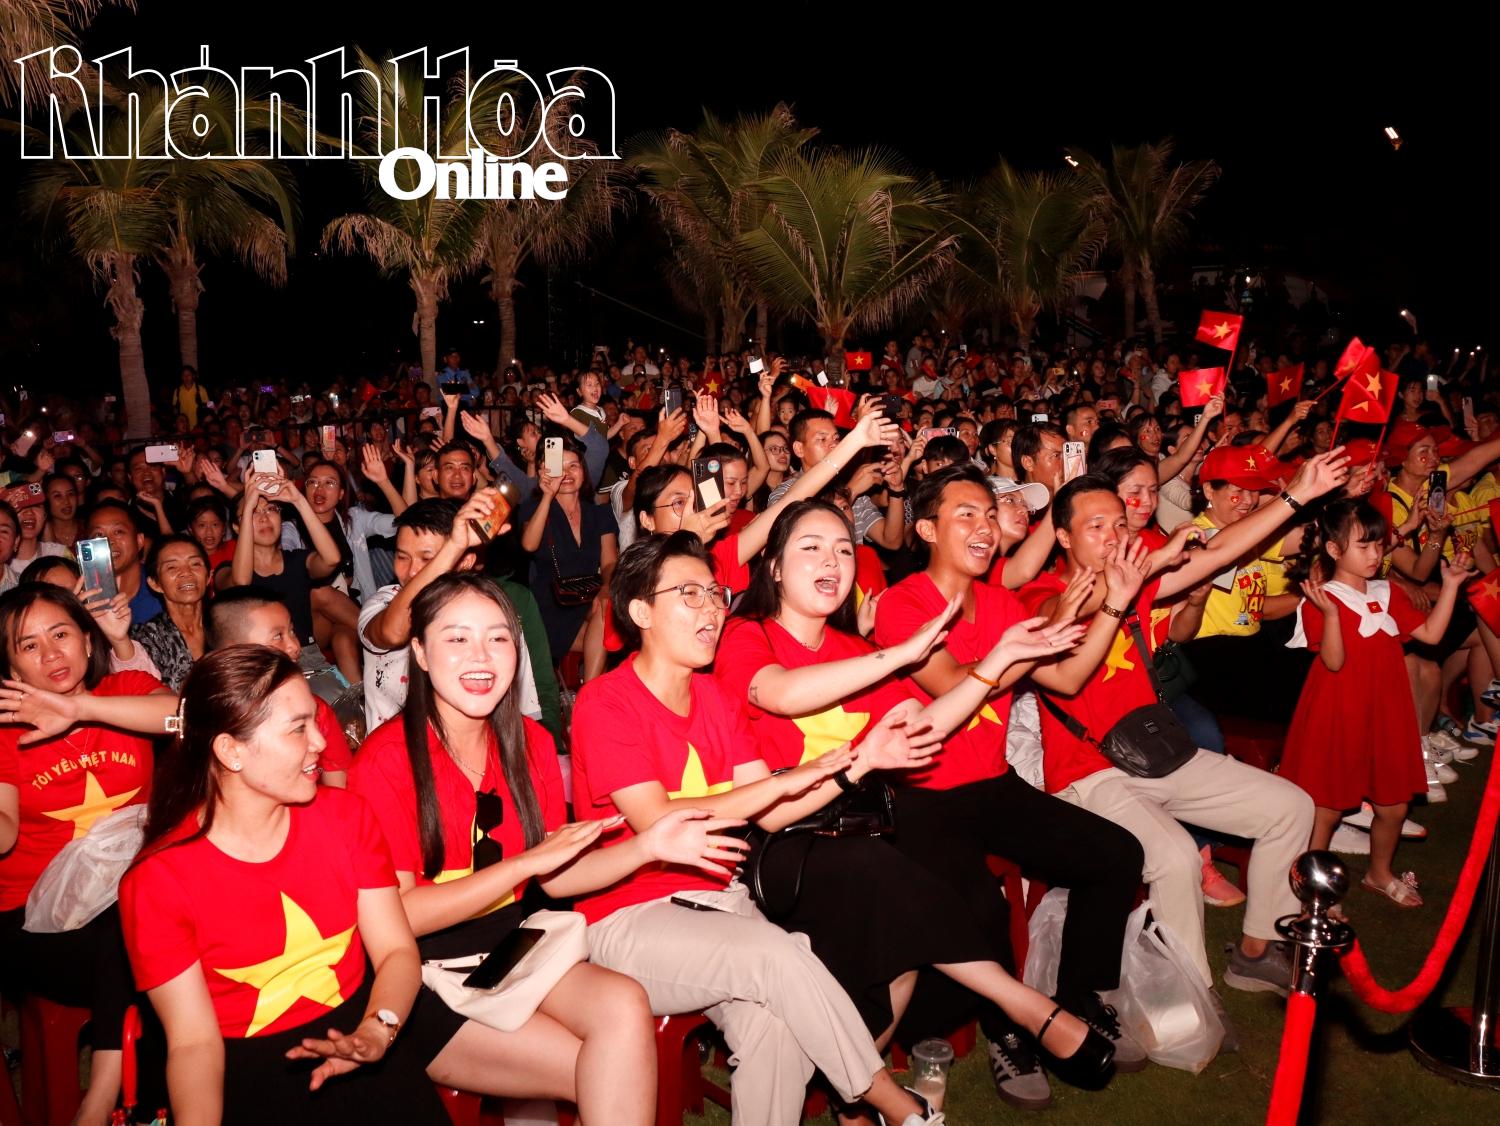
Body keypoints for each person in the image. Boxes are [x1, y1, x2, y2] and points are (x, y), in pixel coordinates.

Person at [715, 501, 1114, 1110]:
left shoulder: (851, 645)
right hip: (783, 842)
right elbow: (781, 695)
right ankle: (1023, 1006)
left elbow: (925, 725)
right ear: (772, 568)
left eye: (845, 549)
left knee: (926, 874)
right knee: (889, 878)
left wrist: (999, 661)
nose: (833, 560)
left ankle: (861, 1094)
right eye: (812, 548)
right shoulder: (749, 637)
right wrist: (897, 655)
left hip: (860, 829)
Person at [572, 534, 945, 1126]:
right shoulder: (606, 701)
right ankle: (894, 1105)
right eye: (688, 594)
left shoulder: (715, 696)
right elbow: (660, 820)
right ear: (641, 612)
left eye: (715, 595)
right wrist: (784, 780)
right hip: (630, 918)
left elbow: (772, 813)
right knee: (780, 954)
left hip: (722, 903)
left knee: (775, 1023)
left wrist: (862, 762)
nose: (712, 610)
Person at [353, 573, 747, 1125]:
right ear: (418, 652)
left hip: (515, 949)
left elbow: (556, 880)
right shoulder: (386, 760)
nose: (481, 656)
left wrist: (647, 847)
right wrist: (526, 864)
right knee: (604, 1065)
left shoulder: (531, 743)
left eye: (497, 637)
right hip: (422, 976)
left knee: (625, 1003)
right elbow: (400, 917)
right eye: (457, 638)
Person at [1016, 455, 1350, 994]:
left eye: (1119, 525)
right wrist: (1140, 571)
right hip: (1090, 774)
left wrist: (1296, 497)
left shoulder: (1137, 579)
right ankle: (1187, 994)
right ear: (1062, 537)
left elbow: (1219, 550)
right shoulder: (1035, 596)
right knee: (1173, 858)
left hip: (1158, 752)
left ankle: (1256, 950)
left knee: (1291, 806)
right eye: (1095, 527)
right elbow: (1065, 614)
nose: (1113, 537)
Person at [873, 466, 1148, 1094]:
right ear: (926, 529)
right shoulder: (904, 603)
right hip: (922, 798)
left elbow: (1069, 678)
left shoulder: (998, 602)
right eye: (965, 514)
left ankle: (1074, 1003)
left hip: (993, 784)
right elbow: (948, 683)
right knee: (980, 909)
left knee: (1116, 854)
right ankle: (1008, 1030)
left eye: (989, 515)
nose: (984, 526)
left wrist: (1114, 604)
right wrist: (1012, 653)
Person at [118, 647, 445, 1125]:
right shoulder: (159, 881)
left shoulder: (345, 818)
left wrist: (378, 1030)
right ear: (230, 750)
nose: (321, 742)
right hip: (244, 1067)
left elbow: (396, 951)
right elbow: (193, 1043)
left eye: (316, 720)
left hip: (361, 1031)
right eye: (298, 728)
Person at [0, 583, 176, 1125]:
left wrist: (78, 708)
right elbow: (5, 831)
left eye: (60, 634)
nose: (51, 654)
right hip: (34, 922)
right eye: (28, 646)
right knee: (140, 937)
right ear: (9, 664)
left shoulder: (124, 688)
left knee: (155, 923)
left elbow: (183, 718)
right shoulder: (5, 731)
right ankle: (104, 1100)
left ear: (86, 636)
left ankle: (146, 1105)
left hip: (136, 900)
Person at [1282, 500, 1471, 907]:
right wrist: (1331, 616)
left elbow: (1433, 636)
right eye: (1363, 546)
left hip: (1387, 711)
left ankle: (1378, 872)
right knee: (1328, 807)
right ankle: (1315, 890)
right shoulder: (1321, 598)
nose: (1374, 555)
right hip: (1339, 712)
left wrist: (1452, 586)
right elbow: (1333, 661)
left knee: (1394, 803)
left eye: (1378, 546)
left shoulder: (1388, 593)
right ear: (1334, 550)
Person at [205, 587, 353, 787]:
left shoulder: (315, 709)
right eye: (278, 636)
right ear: (235, 650)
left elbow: (339, 791)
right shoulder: (210, 718)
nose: (294, 646)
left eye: (292, 631)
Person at [518, 437, 618, 661]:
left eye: (573, 466)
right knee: (605, 636)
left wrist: (606, 588)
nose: (567, 474)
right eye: (559, 468)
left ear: (584, 471)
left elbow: (610, 562)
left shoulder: (599, 513)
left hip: (590, 595)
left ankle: (590, 692)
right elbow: (529, 544)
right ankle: (593, 692)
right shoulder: (533, 508)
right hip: (551, 601)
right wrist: (547, 496)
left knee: (606, 608)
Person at [224, 472, 342, 648]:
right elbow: (242, 583)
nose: (264, 518)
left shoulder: (297, 560)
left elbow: (332, 559)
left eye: (271, 509)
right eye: (254, 512)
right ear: (237, 527)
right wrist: (247, 507)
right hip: (262, 664)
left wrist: (299, 501)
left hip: (306, 657)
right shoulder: (227, 570)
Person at [129, 534, 212, 691]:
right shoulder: (147, 637)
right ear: (155, 583)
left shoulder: (225, 623)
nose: (186, 572)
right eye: (172, 567)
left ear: (209, 576)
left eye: (195, 564)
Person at [85, 498, 164, 625]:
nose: (108, 541)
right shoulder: (82, 598)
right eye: (98, 535)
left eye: (118, 532)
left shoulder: (162, 589)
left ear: (139, 541)